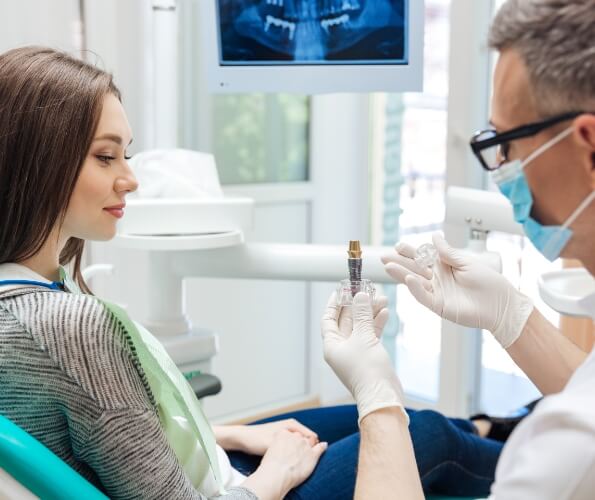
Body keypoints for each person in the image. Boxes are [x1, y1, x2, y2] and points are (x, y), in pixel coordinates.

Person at [0, 45, 541, 500]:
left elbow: (118, 432)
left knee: (360, 414)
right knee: (422, 433)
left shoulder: (26, 292)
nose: (131, 179)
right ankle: (552, 456)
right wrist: (275, 473)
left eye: (128, 155)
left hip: (199, 463)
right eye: (106, 157)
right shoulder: (68, 327)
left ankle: (506, 425)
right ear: (38, 161)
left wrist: (236, 432)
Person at [322, 0, 595, 498]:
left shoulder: (570, 448)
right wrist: (511, 316)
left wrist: (378, 401)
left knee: (430, 432)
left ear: (589, 145)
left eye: (507, 143)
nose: (503, 167)